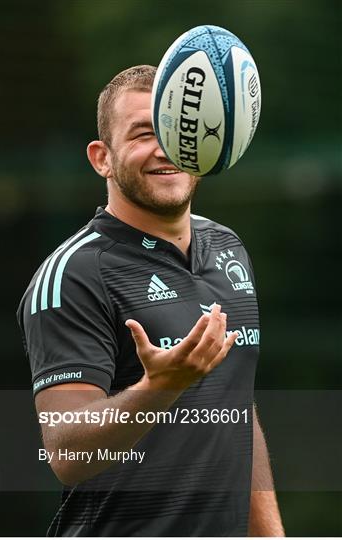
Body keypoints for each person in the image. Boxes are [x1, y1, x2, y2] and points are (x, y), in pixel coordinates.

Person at [17, 65, 284, 537]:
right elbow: (66, 452)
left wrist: (270, 534)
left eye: (178, 130)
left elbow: (237, 410)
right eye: (143, 133)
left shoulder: (228, 247)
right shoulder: (75, 274)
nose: (166, 148)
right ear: (102, 157)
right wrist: (160, 387)